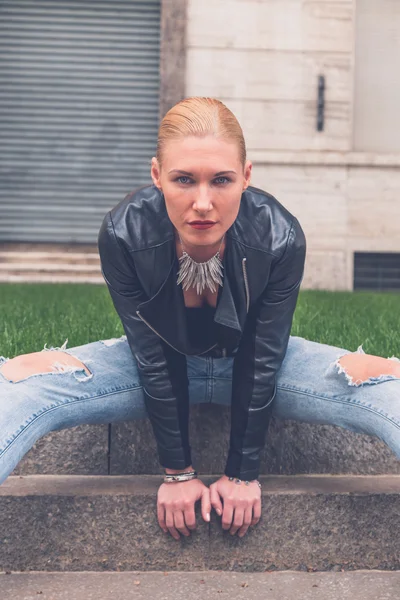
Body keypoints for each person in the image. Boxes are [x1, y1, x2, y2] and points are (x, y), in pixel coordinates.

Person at [1, 97, 399, 543]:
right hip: (154, 362)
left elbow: (264, 352)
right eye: (184, 180)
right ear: (157, 177)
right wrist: (177, 472)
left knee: (387, 385)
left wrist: (243, 474)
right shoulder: (123, 233)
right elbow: (150, 352)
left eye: (222, 180)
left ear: (247, 177)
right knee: (16, 385)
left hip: (261, 365)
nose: (203, 202)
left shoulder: (281, 236)